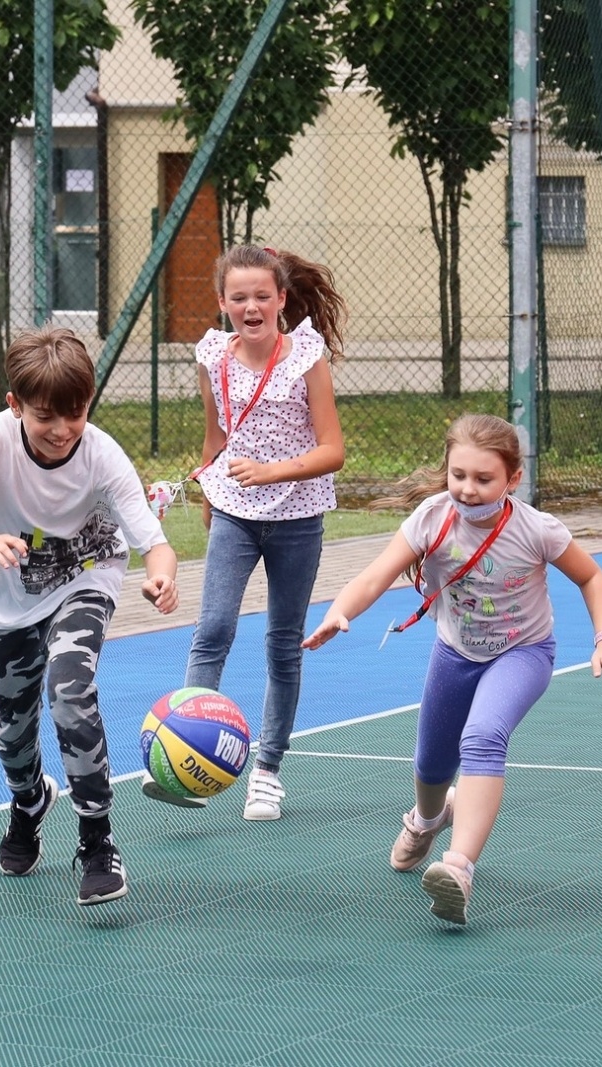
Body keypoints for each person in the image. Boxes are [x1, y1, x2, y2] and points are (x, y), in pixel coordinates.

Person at [302, 413, 602, 925]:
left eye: (484, 479)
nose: (468, 488)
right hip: (455, 653)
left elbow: (591, 576)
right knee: (432, 764)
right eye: (459, 475)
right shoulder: (431, 518)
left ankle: (458, 867)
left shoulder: (536, 529)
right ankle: (428, 818)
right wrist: (339, 611)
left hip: (522, 653)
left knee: (483, 737)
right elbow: (377, 574)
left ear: (512, 479)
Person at [0, 325, 179, 907]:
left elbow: (153, 544)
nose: (62, 430)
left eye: (76, 413)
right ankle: (30, 799)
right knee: (12, 734)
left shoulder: (104, 455)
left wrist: (162, 575)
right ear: (15, 406)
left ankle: (96, 840)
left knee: (69, 687)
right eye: (45, 417)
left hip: (87, 579)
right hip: (9, 601)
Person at [141, 244, 347, 821]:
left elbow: (333, 450)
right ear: (222, 303)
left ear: (282, 299)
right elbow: (216, 438)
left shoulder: (306, 354)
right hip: (235, 513)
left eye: (262, 296)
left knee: (284, 643)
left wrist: (273, 471)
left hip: (298, 515)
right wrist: (211, 490)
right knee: (213, 628)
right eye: (239, 297)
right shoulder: (213, 355)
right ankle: (183, 756)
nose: (251, 306)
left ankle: (268, 770)